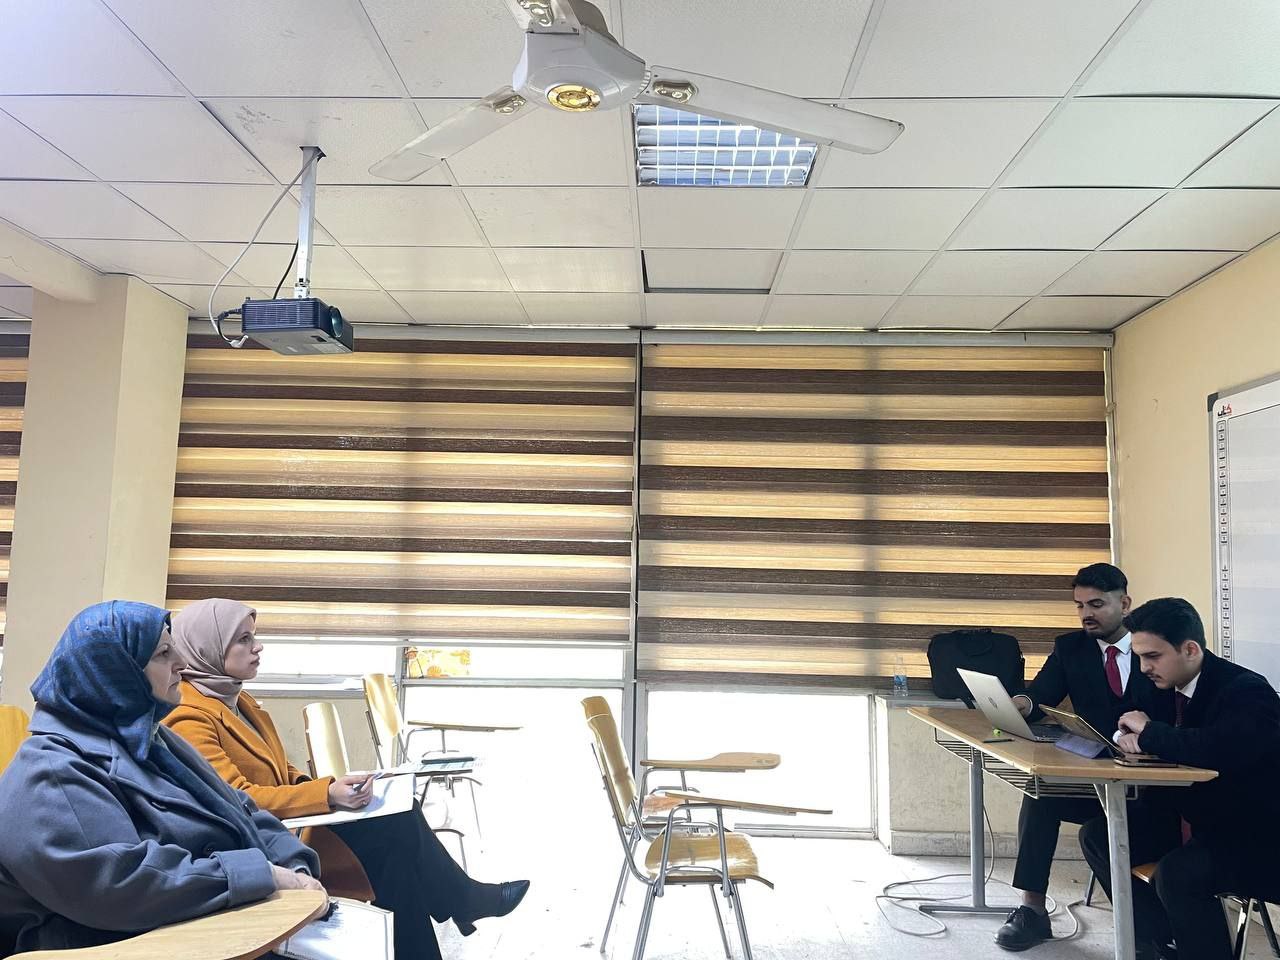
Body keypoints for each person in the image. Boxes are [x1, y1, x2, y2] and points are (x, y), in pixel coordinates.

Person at [163, 598, 528, 960]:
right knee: (396, 830)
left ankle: (458, 904)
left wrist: (335, 788)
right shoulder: (188, 716)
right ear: (206, 647)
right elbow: (237, 799)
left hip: (288, 829)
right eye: (243, 639)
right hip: (264, 846)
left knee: (396, 845)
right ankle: (462, 900)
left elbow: (285, 772)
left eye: (254, 636)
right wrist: (326, 795)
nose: (258, 647)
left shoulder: (240, 701)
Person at [0, 601, 326, 955]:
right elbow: (120, 883)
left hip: (214, 930)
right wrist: (261, 875)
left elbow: (241, 808)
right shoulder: (50, 772)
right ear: (116, 671)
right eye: (163, 654)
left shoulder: (155, 738)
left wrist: (294, 866)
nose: (181, 663)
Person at [1079, 597, 1280, 960]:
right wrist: (1125, 734)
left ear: (1190, 649)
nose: (1143, 667)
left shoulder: (1246, 690)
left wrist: (1149, 733)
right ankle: (1161, 945)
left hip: (1253, 834)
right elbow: (1125, 717)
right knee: (1100, 836)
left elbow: (1217, 748)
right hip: (1193, 819)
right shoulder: (1161, 683)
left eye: (1153, 656)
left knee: (1178, 874)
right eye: (1139, 657)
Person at [995, 563, 1172, 952]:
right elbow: (1040, 695)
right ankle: (1032, 911)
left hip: (1154, 782)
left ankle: (1150, 934)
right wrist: (1021, 704)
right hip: (1097, 778)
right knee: (1040, 792)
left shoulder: (1155, 647)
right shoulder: (1070, 648)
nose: (1086, 614)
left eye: (1096, 604)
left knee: (1108, 830)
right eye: (1079, 605)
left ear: (1124, 603)